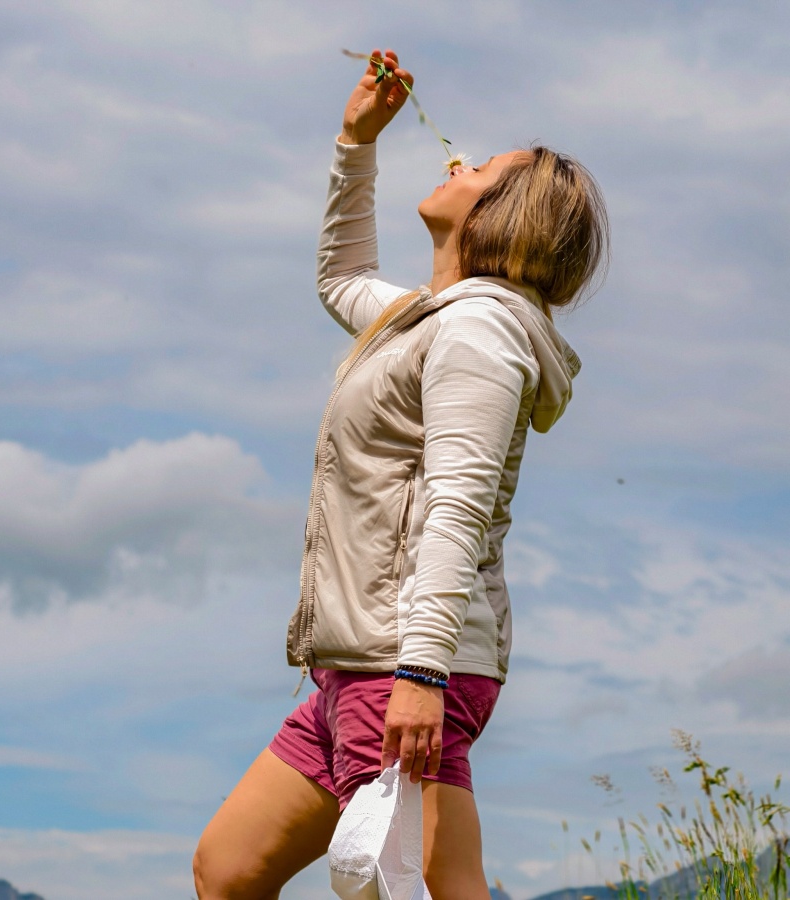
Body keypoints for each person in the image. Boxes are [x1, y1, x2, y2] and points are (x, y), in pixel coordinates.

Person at [193, 47, 608, 900]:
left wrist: (421, 677)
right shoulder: (429, 319)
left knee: (428, 889)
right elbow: (341, 279)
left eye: (482, 168)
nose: (459, 161)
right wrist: (358, 143)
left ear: (502, 216)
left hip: (404, 663)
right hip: (357, 663)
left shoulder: (480, 332)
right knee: (228, 869)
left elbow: (457, 507)